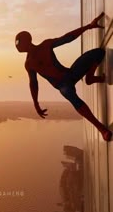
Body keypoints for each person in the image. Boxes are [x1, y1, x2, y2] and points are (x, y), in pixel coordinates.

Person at [15, 12, 112, 141]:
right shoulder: (29, 64)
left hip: (70, 74)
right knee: (69, 93)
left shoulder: (46, 45)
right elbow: (33, 84)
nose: (16, 46)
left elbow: (67, 38)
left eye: (18, 42)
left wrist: (88, 26)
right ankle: (102, 129)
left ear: (27, 41)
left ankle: (90, 78)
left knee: (98, 53)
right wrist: (36, 103)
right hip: (62, 85)